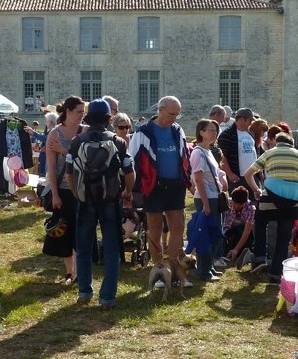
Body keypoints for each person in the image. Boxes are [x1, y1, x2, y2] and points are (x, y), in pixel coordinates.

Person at [66, 99, 134, 308]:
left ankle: (85, 292)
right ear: (108, 118)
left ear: (88, 117)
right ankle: (107, 297)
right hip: (110, 199)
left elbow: (69, 174)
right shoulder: (118, 142)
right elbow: (130, 172)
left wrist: (77, 194)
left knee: (84, 246)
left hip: (85, 200)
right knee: (112, 248)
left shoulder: (77, 141)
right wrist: (127, 192)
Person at [128, 96, 191, 271]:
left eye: (177, 115)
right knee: (155, 228)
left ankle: (173, 267)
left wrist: (187, 177)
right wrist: (133, 188)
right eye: (171, 114)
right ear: (160, 110)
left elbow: (184, 155)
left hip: (175, 185)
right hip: (152, 186)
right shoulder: (143, 132)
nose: (174, 118)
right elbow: (131, 160)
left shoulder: (178, 130)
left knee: (178, 226)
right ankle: (159, 268)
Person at [243, 131, 298, 283]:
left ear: (276, 142)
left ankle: (260, 257)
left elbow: (248, 174)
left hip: (270, 194)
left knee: (260, 223)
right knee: (284, 236)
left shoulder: (269, 153)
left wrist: (256, 190)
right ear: (292, 143)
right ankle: (275, 275)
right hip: (292, 199)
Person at [46, 96, 86, 284]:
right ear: (68, 112)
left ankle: (79, 272)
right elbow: (51, 168)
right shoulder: (54, 134)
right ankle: (70, 272)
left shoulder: (85, 132)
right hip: (62, 189)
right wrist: (54, 194)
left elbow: (87, 161)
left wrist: (66, 151)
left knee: (81, 230)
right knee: (63, 229)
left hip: (82, 188)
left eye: (83, 112)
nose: (81, 115)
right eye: (78, 112)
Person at [190, 119, 226, 281]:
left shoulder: (209, 151)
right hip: (206, 198)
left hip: (214, 197)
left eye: (215, 130)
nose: (214, 133)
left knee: (215, 235)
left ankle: (209, 266)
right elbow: (198, 179)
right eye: (210, 130)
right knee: (206, 236)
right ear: (201, 132)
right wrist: (205, 203)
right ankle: (204, 271)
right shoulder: (198, 152)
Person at [217, 107, 256, 191]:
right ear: (242, 120)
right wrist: (230, 174)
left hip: (252, 175)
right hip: (237, 177)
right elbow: (222, 157)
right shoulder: (227, 135)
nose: (251, 123)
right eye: (250, 121)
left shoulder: (250, 133)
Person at [223, 186, 255, 264]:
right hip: (227, 233)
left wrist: (236, 249)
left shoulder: (251, 209)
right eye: (235, 203)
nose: (236, 206)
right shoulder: (227, 203)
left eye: (240, 204)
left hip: (241, 234)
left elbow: (246, 232)